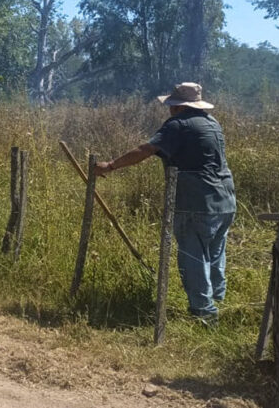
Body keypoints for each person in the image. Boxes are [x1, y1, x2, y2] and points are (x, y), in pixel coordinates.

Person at [95, 82, 235, 325]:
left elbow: (145, 150)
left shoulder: (177, 125)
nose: (169, 110)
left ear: (178, 106)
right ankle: (220, 305)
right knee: (215, 254)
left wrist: (111, 165)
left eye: (172, 105)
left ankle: (205, 316)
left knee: (193, 258)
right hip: (225, 200)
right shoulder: (212, 123)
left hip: (196, 201)